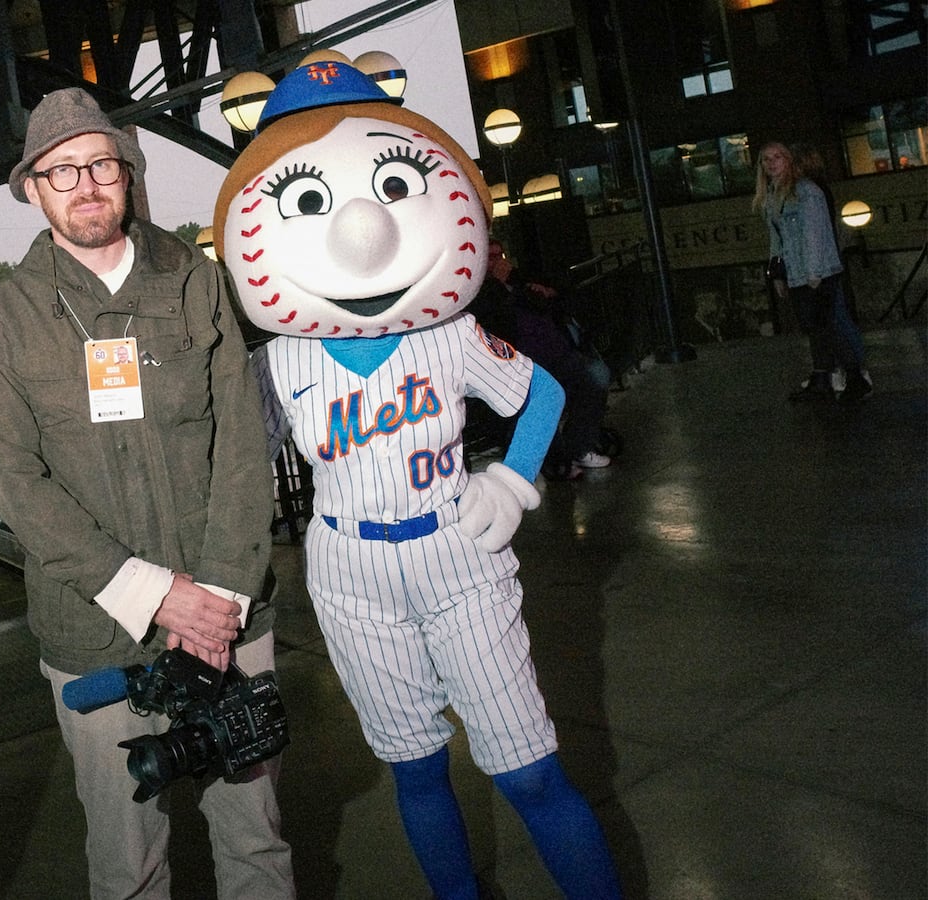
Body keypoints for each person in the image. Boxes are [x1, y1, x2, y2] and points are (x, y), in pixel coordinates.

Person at [211, 61, 620, 898]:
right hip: (350, 572)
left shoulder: (451, 332)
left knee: (530, 771)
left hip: (458, 553)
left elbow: (540, 390)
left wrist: (511, 479)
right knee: (416, 769)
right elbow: (226, 456)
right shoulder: (278, 362)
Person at [0, 87, 295, 899]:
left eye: (102, 164)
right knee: (127, 863)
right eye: (61, 170)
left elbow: (242, 447)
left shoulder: (196, 281)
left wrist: (213, 599)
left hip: (228, 616)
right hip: (95, 635)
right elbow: (18, 483)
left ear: (129, 174)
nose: (85, 183)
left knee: (256, 841)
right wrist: (155, 597)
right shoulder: (4, 319)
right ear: (33, 191)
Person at [471, 239, 613, 476]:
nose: (498, 262)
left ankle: (579, 445)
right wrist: (500, 284)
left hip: (557, 351)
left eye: (500, 256)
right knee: (544, 396)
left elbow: (549, 296)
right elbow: (494, 319)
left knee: (597, 377)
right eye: (491, 257)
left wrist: (519, 283)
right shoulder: (481, 291)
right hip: (521, 362)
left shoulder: (518, 279)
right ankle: (555, 460)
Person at [754, 141, 871, 401]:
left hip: (818, 272)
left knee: (827, 325)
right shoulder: (772, 196)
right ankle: (825, 379)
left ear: (788, 160)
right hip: (797, 272)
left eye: (777, 157)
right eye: (765, 159)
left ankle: (850, 377)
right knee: (815, 327)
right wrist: (778, 275)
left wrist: (815, 273)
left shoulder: (806, 191)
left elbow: (815, 234)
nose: (771, 163)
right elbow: (777, 239)